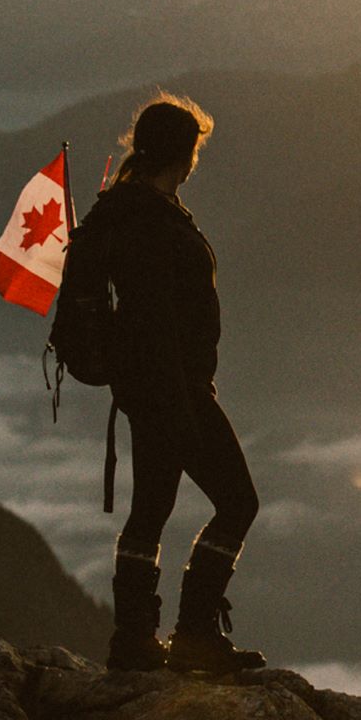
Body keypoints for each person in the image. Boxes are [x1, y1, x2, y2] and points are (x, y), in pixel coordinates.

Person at [88, 93, 267, 676]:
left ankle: (134, 640)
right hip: (175, 389)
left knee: (151, 510)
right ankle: (191, 636)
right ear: (182, 153)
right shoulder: (151, 220)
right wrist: (181, 402)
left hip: (151, 387)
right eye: (194, 149)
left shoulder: (132, 209)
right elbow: (159, 317)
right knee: (237, 501)